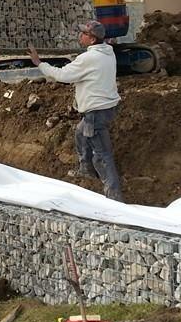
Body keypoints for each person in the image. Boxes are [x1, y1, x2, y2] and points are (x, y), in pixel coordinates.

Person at [28, 20, 123, 201]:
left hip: (96, 112)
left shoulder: (89, 58)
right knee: (80, 133)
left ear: (92, 39)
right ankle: (85, 170)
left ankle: (114, 198)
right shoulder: (108, 52)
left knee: (102, 157)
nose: (80, 36)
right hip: (107, 108)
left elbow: (62, 75)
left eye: (84, 33)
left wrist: (39, 63)